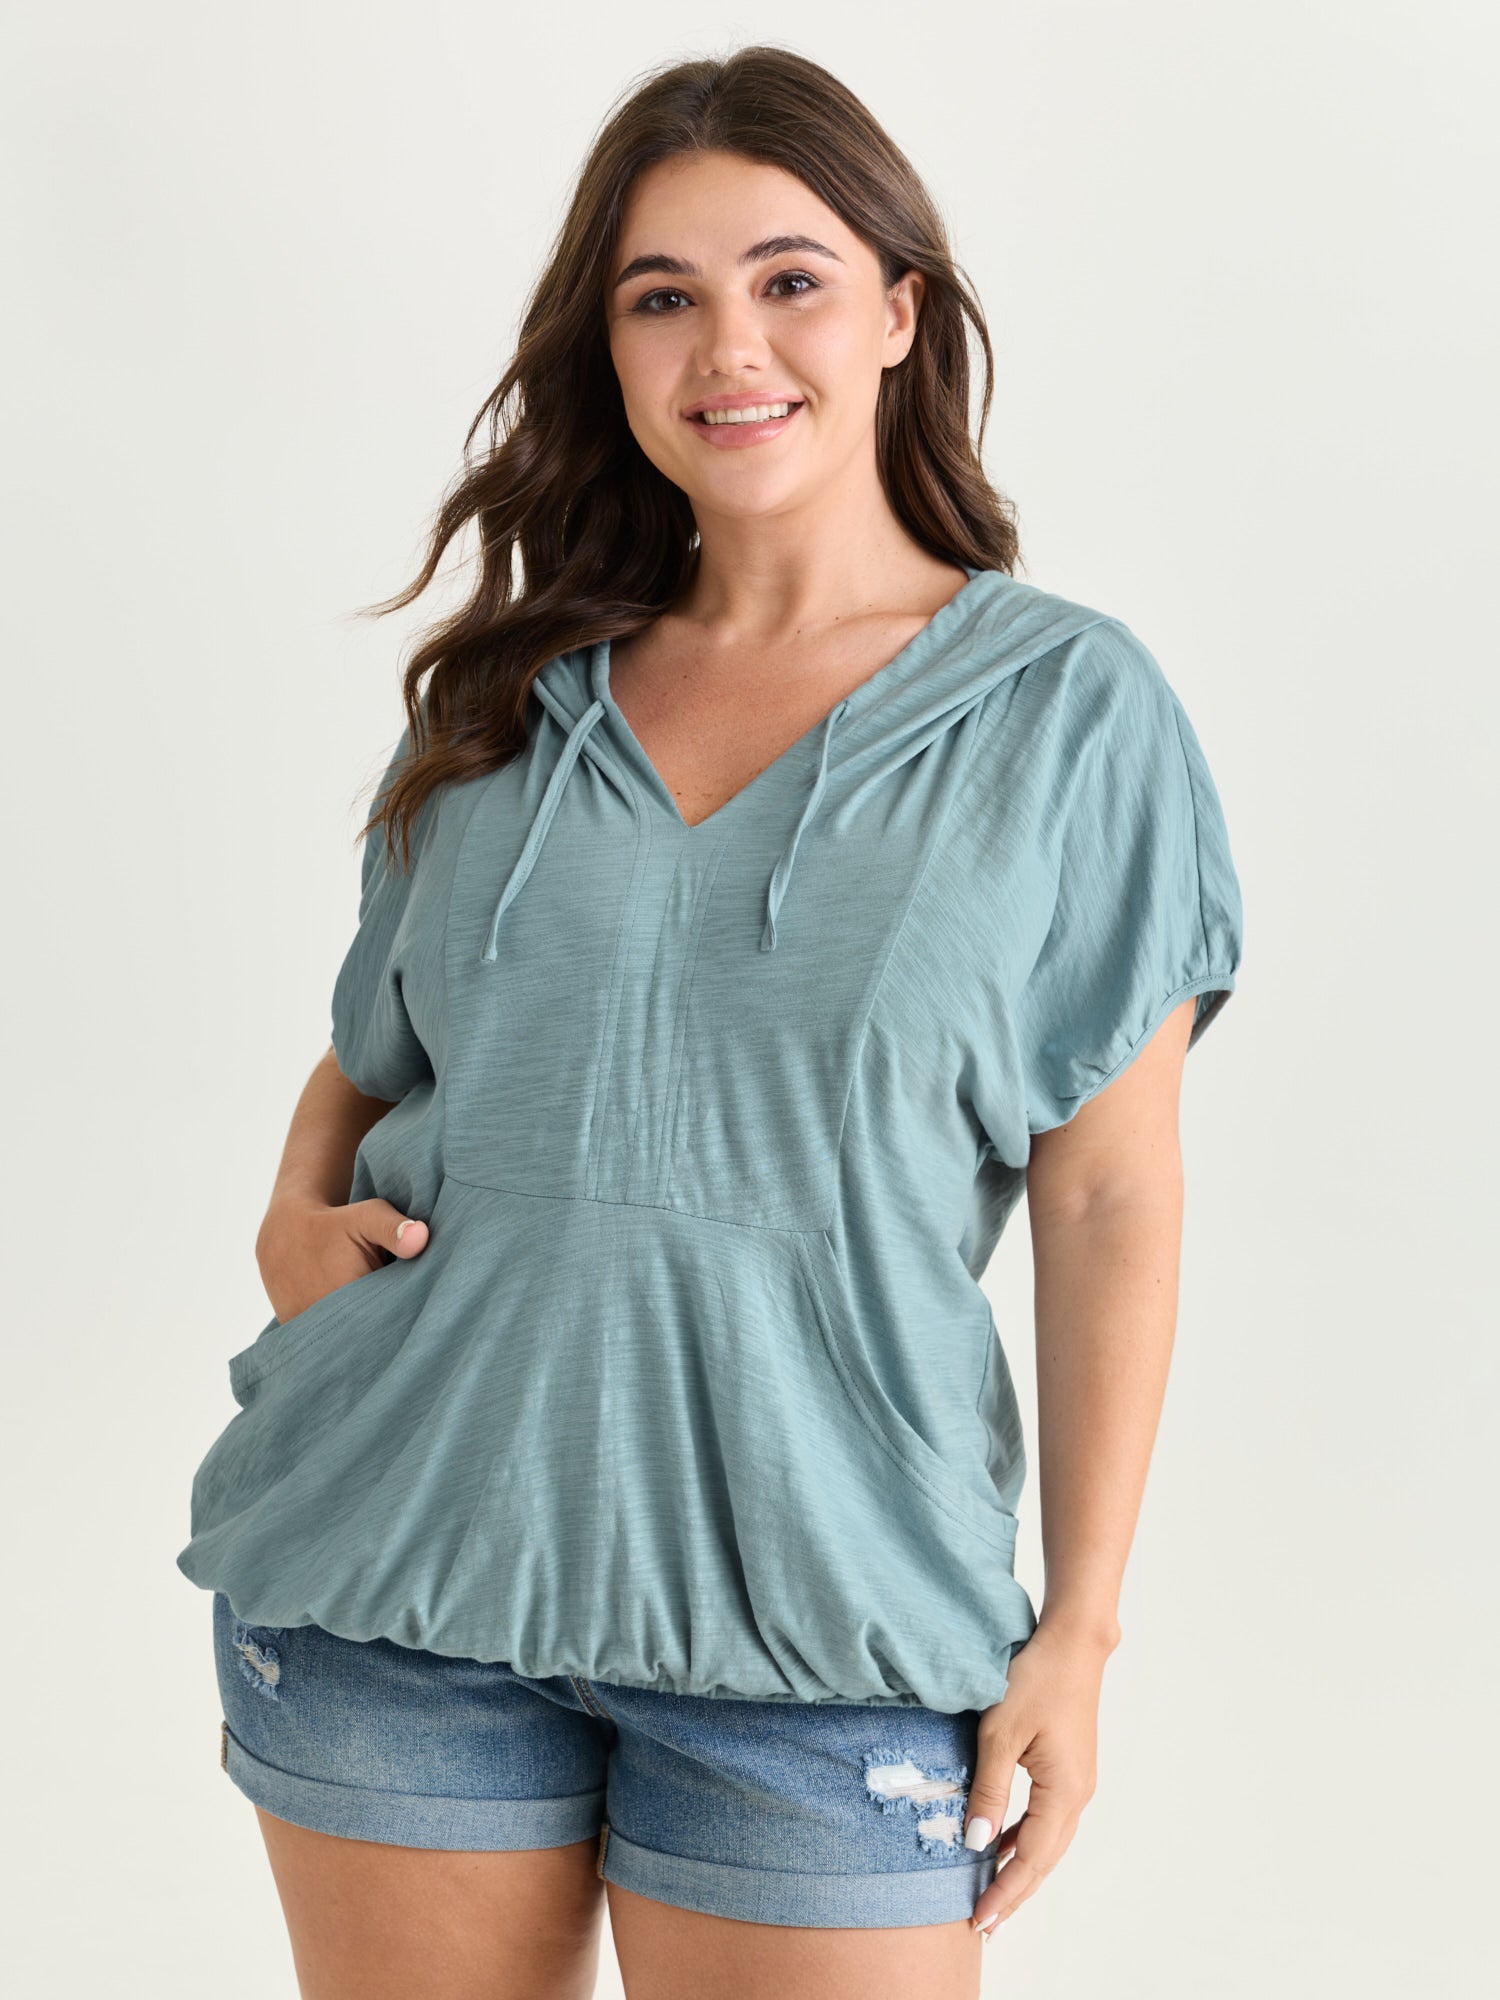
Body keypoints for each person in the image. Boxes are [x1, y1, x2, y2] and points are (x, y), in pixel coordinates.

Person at [176, 43, 1244, 2000]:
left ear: (900, 312)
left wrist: (1079, 1628)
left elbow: (1109, 1194)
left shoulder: (1069, 714)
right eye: (660, 296)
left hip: (833, 1618)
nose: (727, 345)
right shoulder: (504, 695)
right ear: (608, 349)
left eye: (790, 279)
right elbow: (381, 1042)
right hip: (394, 1571)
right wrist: (287, 1212)